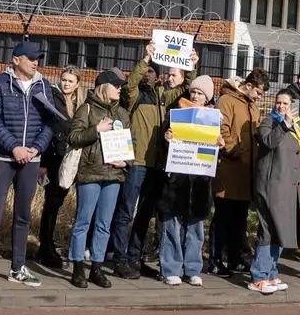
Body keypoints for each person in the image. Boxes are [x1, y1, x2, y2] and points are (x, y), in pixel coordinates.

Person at [0, 41, 57, 289]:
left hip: (32, 158)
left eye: (38, 59)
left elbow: (50, 121)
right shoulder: (0, 83)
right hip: (3, 158)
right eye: (31, 58)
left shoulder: (43, 85)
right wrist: (13, 147)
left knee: (23, 215)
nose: (36, 62)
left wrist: (36, 148)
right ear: (16, 60)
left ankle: (17, 267)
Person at [111, 44, 192, 279]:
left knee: (145, 214)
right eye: (146, 71)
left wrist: (192, 65)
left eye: (152, 72)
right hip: (136, 162)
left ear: (159, 77)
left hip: (156, 164)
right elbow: (129, 85)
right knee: (126, 211)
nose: (149, 74)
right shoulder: (135, 96)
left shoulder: (162, 98)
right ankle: (119, 258)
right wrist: (145, 58)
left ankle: (135, 257)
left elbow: (186, 87)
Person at [66, 70, 130, 289]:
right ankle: (76, 266)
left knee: (104, 224)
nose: (120, 88)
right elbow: (74, 137)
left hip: (114, 175)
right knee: (83, 221)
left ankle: (96, 267)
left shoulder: (122, 113)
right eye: (116, 84)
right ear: (104, 86)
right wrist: (97, 130)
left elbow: (132, 143)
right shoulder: (87, 109)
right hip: (91, 172)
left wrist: (126, 162)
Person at [158, 74, 218, 288]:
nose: (195, 95)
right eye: (194, 91)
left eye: (200, 93)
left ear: (207, 98)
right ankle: (171, 269)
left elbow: (214, 154)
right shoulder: (176, 114)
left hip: (200, 180)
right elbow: (164, 145)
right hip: (177, 178)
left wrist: (217, 145)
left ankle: (192, 269)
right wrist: (167, 139)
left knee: (196, 228)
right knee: (172, 225)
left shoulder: (213, 119)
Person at [251, 89, 300, 295]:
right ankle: (259, 275)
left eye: (285, 103)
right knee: (268, 228)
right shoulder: (269, 122)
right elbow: (268, 142)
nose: (281, 107)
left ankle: (271, 272)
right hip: (271, 185)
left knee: (281, 229)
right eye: (278, 103)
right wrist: (284, 124)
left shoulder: (299, 126)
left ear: (292, 106)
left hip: (290, 186)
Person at [212, 67, 268, 276]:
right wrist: (235, 149)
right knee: (223, 217)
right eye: (259, 93)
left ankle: (235, 258)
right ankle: (216, 259)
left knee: (240, 218)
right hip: (229, 169)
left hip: (246, 172)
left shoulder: (253, 106)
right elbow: (222, 129)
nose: (259, 97)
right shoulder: (226, 101)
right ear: (249, 85)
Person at [36, 66, 84, 269]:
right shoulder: (53, 98)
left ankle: (49, 244)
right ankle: (45, 247)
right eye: (64, 79)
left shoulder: (80, 103)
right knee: (52, 203)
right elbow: (48, 129)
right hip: (54, 157)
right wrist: (43, 163)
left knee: (59, 201)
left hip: (72, 158)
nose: (66, 83)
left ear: (77, 84)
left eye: (70, 81)